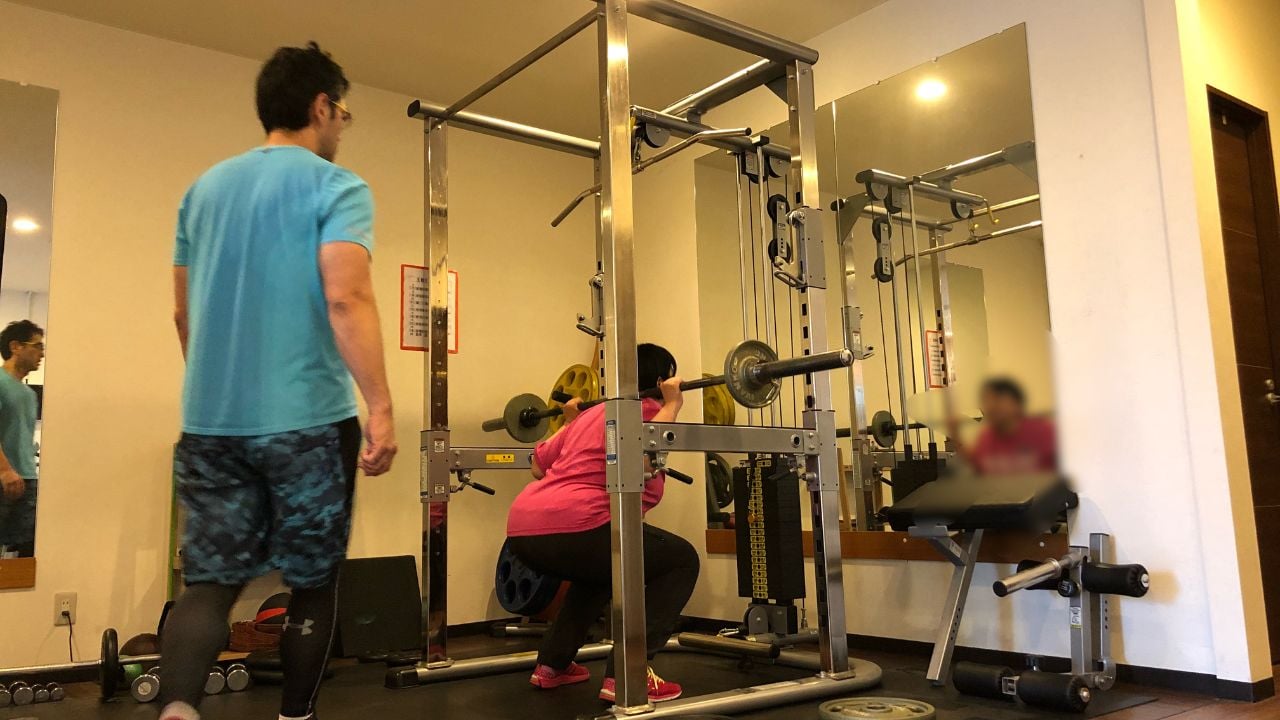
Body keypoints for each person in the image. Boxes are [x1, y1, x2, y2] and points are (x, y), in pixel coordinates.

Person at [160, 42, 397, 720]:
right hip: (309, 426)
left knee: (209, 583)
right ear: (321, 107)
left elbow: (182, 314)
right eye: (343, 113)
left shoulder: (202, 190)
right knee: (312, 584)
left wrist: (217, 391)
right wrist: (380, 407)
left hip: (210, 425)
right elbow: (347, 297)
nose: (342, 126)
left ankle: (176, 709)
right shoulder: (336, 186)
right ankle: (296, 715)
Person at [507, 343, 699, 704]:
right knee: (682, 560)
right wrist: (673, 403)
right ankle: (630, 674)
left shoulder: (593, 415)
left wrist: (569, 422)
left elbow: (537, 466)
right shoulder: (648, 409)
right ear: (662, 380)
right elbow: (644, 461)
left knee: (600, 572)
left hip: (522, 530)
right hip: (577, 525)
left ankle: (552, 665)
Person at [0, 320, 43, 558]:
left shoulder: (28, 394)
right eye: (37, 346)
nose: (42, 353)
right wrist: (5, 470)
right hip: (4, 478)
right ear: (15, 346)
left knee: (24, 554)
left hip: (27, 479)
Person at [958, 377, 1056, 475]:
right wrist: (955, 432)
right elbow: (976, 467)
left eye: (998, 399)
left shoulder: (1044, 432)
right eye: (986, 400)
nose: (990, 407)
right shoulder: (985, 438)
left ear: (1017, 403)